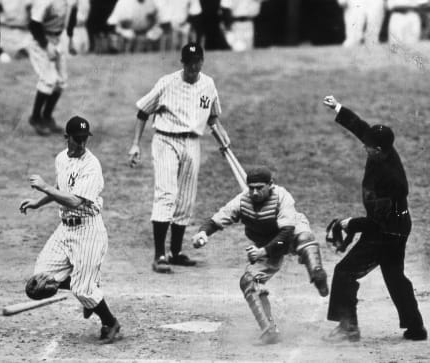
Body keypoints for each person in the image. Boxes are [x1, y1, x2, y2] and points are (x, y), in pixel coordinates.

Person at [322, 95, 427, 342]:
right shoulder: (384, 151)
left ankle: (348, 327)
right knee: (394, 276)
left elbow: (378, 223)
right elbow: (361, 128)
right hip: (398, 226)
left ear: (378, 150)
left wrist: (350, 223)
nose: (364, 147)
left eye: (368, 147)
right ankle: (416, 328)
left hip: (386, 231)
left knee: (345, 272)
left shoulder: (391, 181)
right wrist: (338, 107)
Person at [191, 166, 328, 344]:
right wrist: (203, 233)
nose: (254, 192)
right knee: (249, 280)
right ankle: (269, 330)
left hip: (288, 234)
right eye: (251, 188)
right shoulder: (242, 201)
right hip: (266, 242)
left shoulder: (282, 197)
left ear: (270, 185)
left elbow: (285, 236)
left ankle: (317, 273)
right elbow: (216, 220)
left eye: (259, 187)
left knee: (305, 238)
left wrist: (263, 251)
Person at [128, 42, 229, 274]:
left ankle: (175, 252)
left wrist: (223, 139)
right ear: (182, 63)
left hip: (192, 142)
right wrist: (135, 144)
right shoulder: (167, 83)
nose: (193, 67)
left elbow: (213, 118)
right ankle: (159, 255)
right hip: (166, 139)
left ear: (202, 62)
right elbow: (143, 112)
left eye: (197, 62)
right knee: (166, 194)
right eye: (189, 63)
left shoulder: (208, 84)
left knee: (185, 198)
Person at [19, 116, 121, 344]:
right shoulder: (61, 159)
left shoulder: (92, 165)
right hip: (65, 230)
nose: (82, 144)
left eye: (85, 139)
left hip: (88, 231)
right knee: (39, 281)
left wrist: (43, 186)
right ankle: (88, 283)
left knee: (82, 289)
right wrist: (38, 201)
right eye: (77, 139)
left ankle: (110, 321)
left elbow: (75, 201)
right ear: (67, 138)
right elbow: (60, 189)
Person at [27, 0, 78, 136]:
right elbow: (34, 24)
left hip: (57, 39)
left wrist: (71, 39)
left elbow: (72, 15)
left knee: (61, 81)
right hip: (40, 40)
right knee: (49, 79)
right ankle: (35, 117)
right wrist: (46, 44)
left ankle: (47, 117)